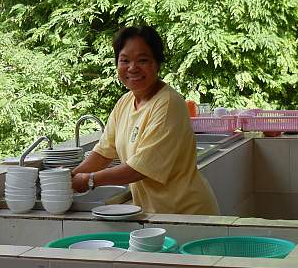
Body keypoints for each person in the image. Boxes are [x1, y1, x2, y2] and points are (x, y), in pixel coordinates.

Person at [71, 26, 219, 215]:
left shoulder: (167, 104)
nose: (132, 68)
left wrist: (90, 180)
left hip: (186, 214)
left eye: (142, 60)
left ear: (157, 64)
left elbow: (139, 169)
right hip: (155, 214)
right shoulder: (125, 102)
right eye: (125, 60)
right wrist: (70, 177)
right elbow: (103, 153)